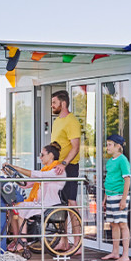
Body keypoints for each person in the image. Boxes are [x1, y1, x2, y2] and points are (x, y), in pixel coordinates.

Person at [3, 143, 65, 249]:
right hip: (40, 203)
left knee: (21, 208)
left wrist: (15, 167)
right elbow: (26, 184)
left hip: (50, 205)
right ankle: (17, 239)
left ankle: (23, 241)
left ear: (51, 155)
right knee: (13, 208)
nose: (40, 157)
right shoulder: (44, 170)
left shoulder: (56, 171)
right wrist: (11, 173)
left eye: (42, 154)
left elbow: (38, 175)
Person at [50, 90, 81, 251]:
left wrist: (63, 163)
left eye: (54, 102)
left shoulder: (72, 121)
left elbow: (75, 148)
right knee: (60, 204)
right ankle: (64, 241)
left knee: (71, 203)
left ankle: (78, 244)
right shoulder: (57, 121)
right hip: (57, 167)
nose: (52, 105)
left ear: (63, 103)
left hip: (69, 167)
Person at [102, 133, 131, 261]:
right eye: (107, 145)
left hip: (119, 196)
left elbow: (127, 179)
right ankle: (115, 252)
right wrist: (105, 198)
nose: (107, 147)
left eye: (109, 145)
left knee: (122, 224)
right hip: (110, 196)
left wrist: (123, 199)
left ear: (117, 146)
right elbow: (108, 180)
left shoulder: (123, 160)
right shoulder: (110, 162)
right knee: (113, 224)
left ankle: (125, 255)